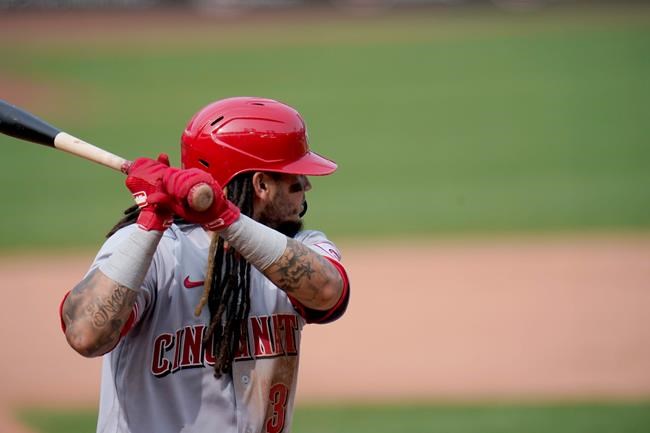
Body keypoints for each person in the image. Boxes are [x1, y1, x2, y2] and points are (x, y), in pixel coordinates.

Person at [59, 96, 350, 433]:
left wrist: (225, 219)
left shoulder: (302, 247)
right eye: (296, 180)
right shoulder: (155, 249)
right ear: (261, 185)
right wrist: (150, 221)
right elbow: (85, 334)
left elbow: (329, 292)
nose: (307, 186)